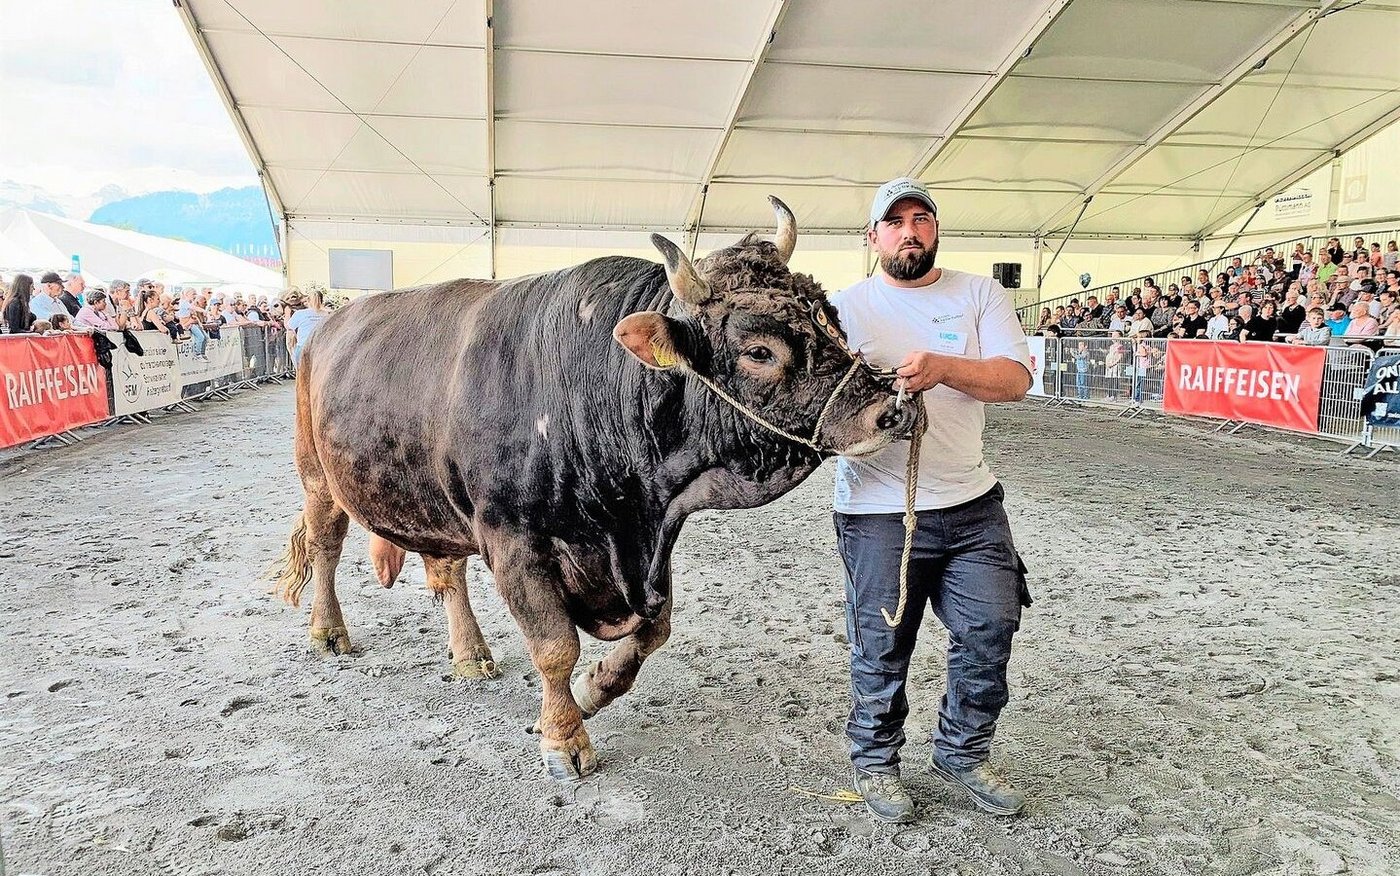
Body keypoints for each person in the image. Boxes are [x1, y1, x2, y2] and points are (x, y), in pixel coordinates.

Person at [829, 178, 1032, 824]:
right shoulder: (842, 310)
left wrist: (945, 368)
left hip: (972, 502)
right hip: (876, 510)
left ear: (935, 230)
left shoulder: (979, 294)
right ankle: (875, 760)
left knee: (991, 627)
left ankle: (963, 751)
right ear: (874, 238)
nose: (910, 231)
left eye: (922, 219)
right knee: (883, 642)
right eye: (896, 223)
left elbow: (1015, 379)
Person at [286, 286, 328, 366]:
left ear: (308, 301)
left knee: (301, 373)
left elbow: (289, 326)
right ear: (322, 301)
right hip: (321, 347)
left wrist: (287, 313)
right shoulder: (326, 315)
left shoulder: (300, 313)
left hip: (303, 346)